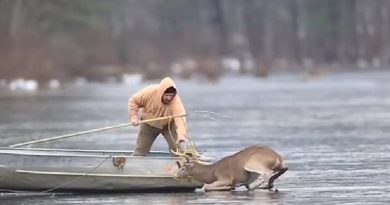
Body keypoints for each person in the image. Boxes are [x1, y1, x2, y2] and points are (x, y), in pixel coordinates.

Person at [128, 77, 187, 156]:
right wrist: (134, 117)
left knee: (178, 151)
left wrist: (181, 137)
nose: (169, 98)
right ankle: (135, 163)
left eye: (171, 95)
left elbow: (180, 120)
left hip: (168, 125)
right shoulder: (149, 92)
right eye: (166, 95)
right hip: (148, 124)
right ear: (161, 93)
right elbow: (133, 101)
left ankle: (180, 165)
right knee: (140, 151)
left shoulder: (176, 102)